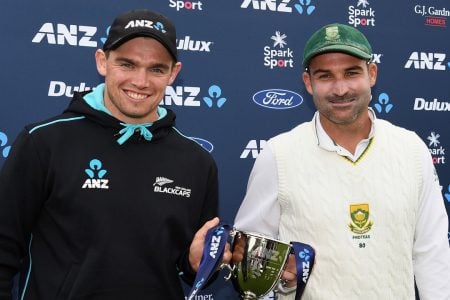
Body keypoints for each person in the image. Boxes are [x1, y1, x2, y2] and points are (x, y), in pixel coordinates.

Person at [0, 9, 230, 299]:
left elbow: (187, 268)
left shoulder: (197, 162)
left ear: (174, 73)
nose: (141, 81)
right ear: (102, 61)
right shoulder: (44, 142)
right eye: (127, 64)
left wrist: (199, 264)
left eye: (156, 69)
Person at [234, 23, 450, 299]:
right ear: (308, 82)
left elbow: (432, 252)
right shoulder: (278, 154)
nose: (340, 89)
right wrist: (283, 282)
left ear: (371, 74)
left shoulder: (411, 148)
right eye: (325, 76)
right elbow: (252, 264)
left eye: (351, 73)